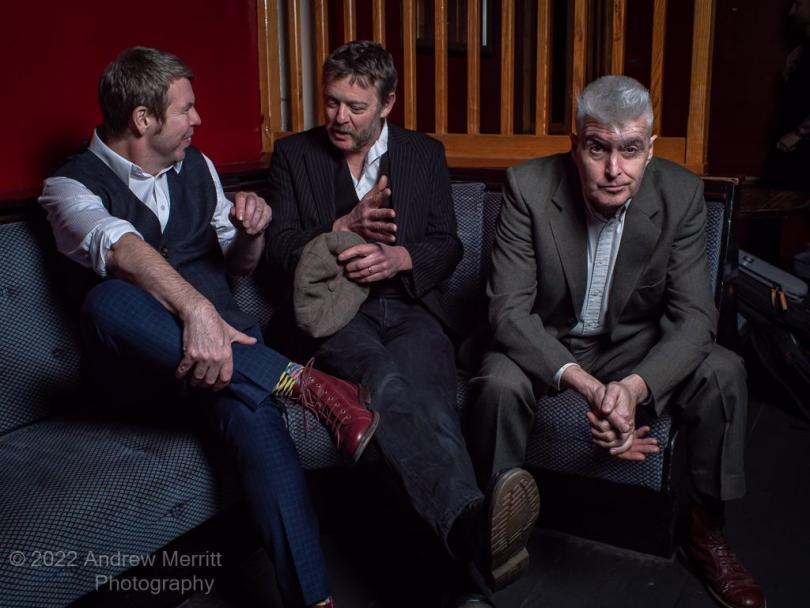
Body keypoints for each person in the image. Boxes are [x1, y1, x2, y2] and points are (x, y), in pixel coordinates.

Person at [39, 46, 378, 608]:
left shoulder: (198, 167)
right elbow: (118, 247)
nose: (199, 120)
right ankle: (305, 384)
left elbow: (240, 263)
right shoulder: (69, 187)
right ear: (144, 119)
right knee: (107, 301)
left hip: (227, 366)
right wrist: (197, 310)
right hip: (141, 379)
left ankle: (314, 602)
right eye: (187, 109)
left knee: (256, 419)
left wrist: (253, 231)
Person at [467, 75, 766, 608]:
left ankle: (706, 532)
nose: (613, 169)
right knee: (496, 381)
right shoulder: (527, 188)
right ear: (575, 144)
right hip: (552, 342)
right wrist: (587, 386)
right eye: (598, 148)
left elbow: (695, 317)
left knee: (722, 371)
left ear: (649, 149)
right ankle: (493, 532)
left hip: (633, 346)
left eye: (630, 150)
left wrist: (631, 389)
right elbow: (508, 312)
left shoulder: (680, 194)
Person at [265, 41, 540, 603]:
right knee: (385, 385)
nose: (340, 117)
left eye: (356, 106)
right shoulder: (294, 155)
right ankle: (468, 542)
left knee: (431, 397)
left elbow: (447, 243)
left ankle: (462, 547)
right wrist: (341, 227)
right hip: (335, 316)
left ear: (387, 103)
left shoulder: (422, 154)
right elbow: (279, 248)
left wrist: (400, 257)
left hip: (412, 306)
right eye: (332, 102)